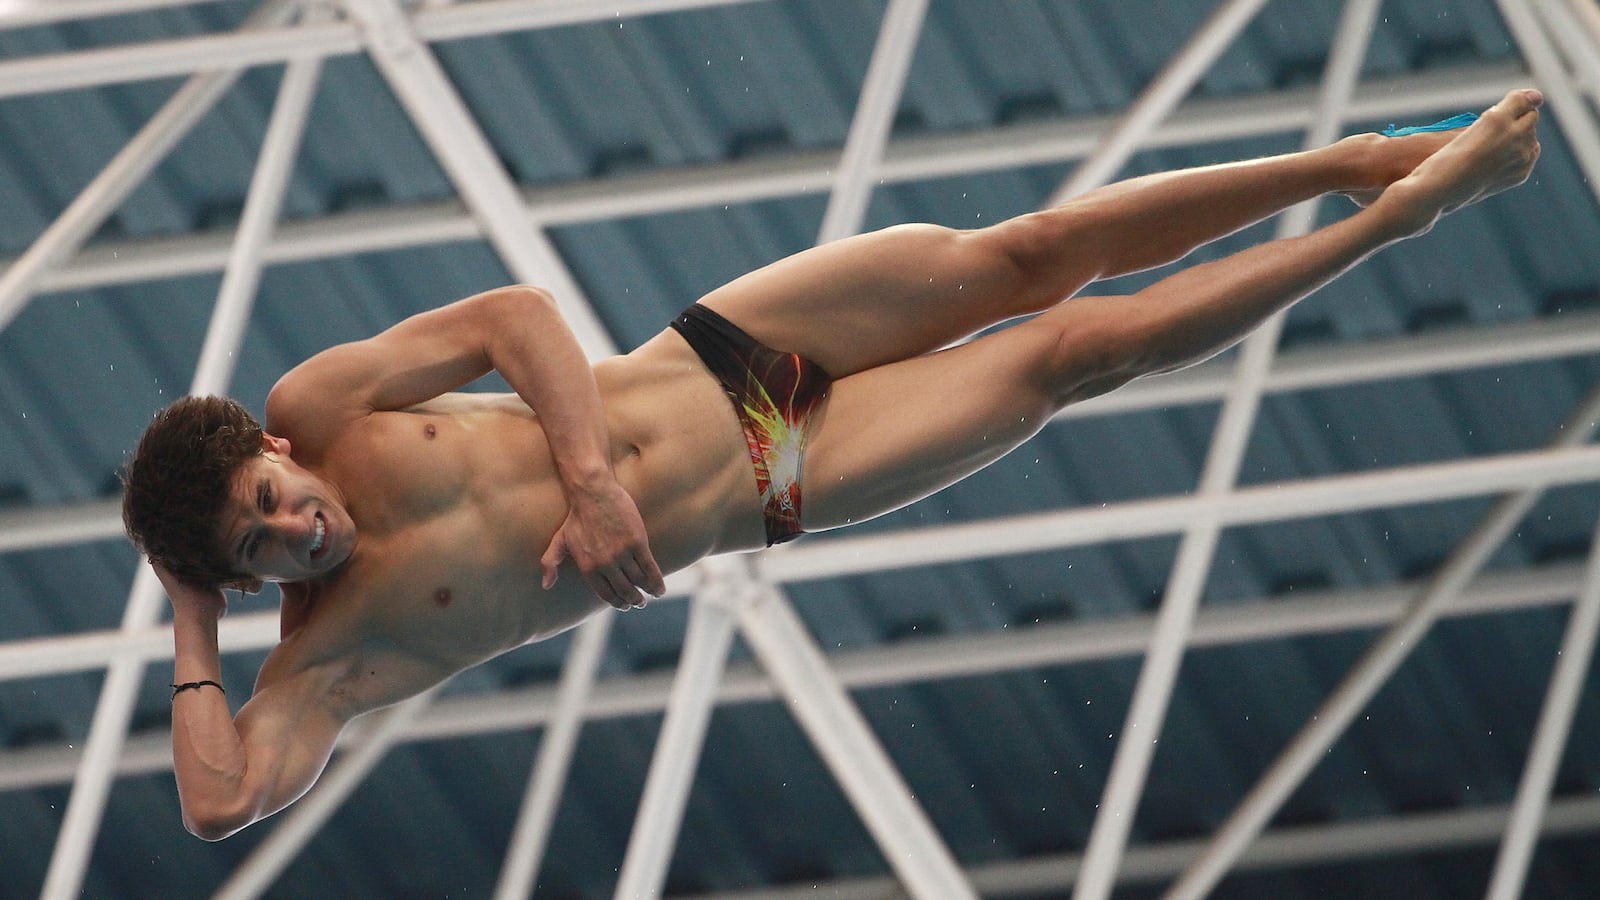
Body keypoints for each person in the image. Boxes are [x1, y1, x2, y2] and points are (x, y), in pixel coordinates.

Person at [120, 89, 1543, 840]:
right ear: (242, 589)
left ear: (272, 444)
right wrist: (186, 603)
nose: (294, 527)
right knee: (1071, 356)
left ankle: (1345, 162)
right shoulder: (323, 665)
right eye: (259, 549)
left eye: (266, 495)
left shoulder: (328, 400)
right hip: (780, 474)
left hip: (720, 354)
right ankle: (1398, 222)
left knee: (1025, 256)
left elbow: (516, 316)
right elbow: (220, 806)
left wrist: (593, 479)